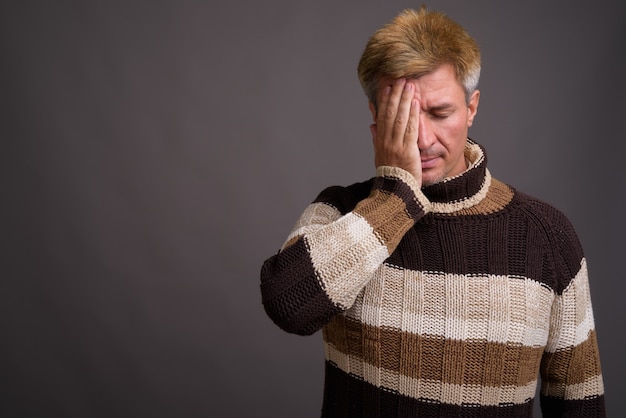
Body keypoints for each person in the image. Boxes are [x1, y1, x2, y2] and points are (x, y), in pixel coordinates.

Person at [260, 7, 605, 417]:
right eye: (402, 116)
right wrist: (393, 198)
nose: (422, 138)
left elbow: (579, 403)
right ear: (374, 115)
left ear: (472, 108)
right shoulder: (340, 213)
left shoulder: (546, 235)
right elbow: (288, 305)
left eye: (440, 113)